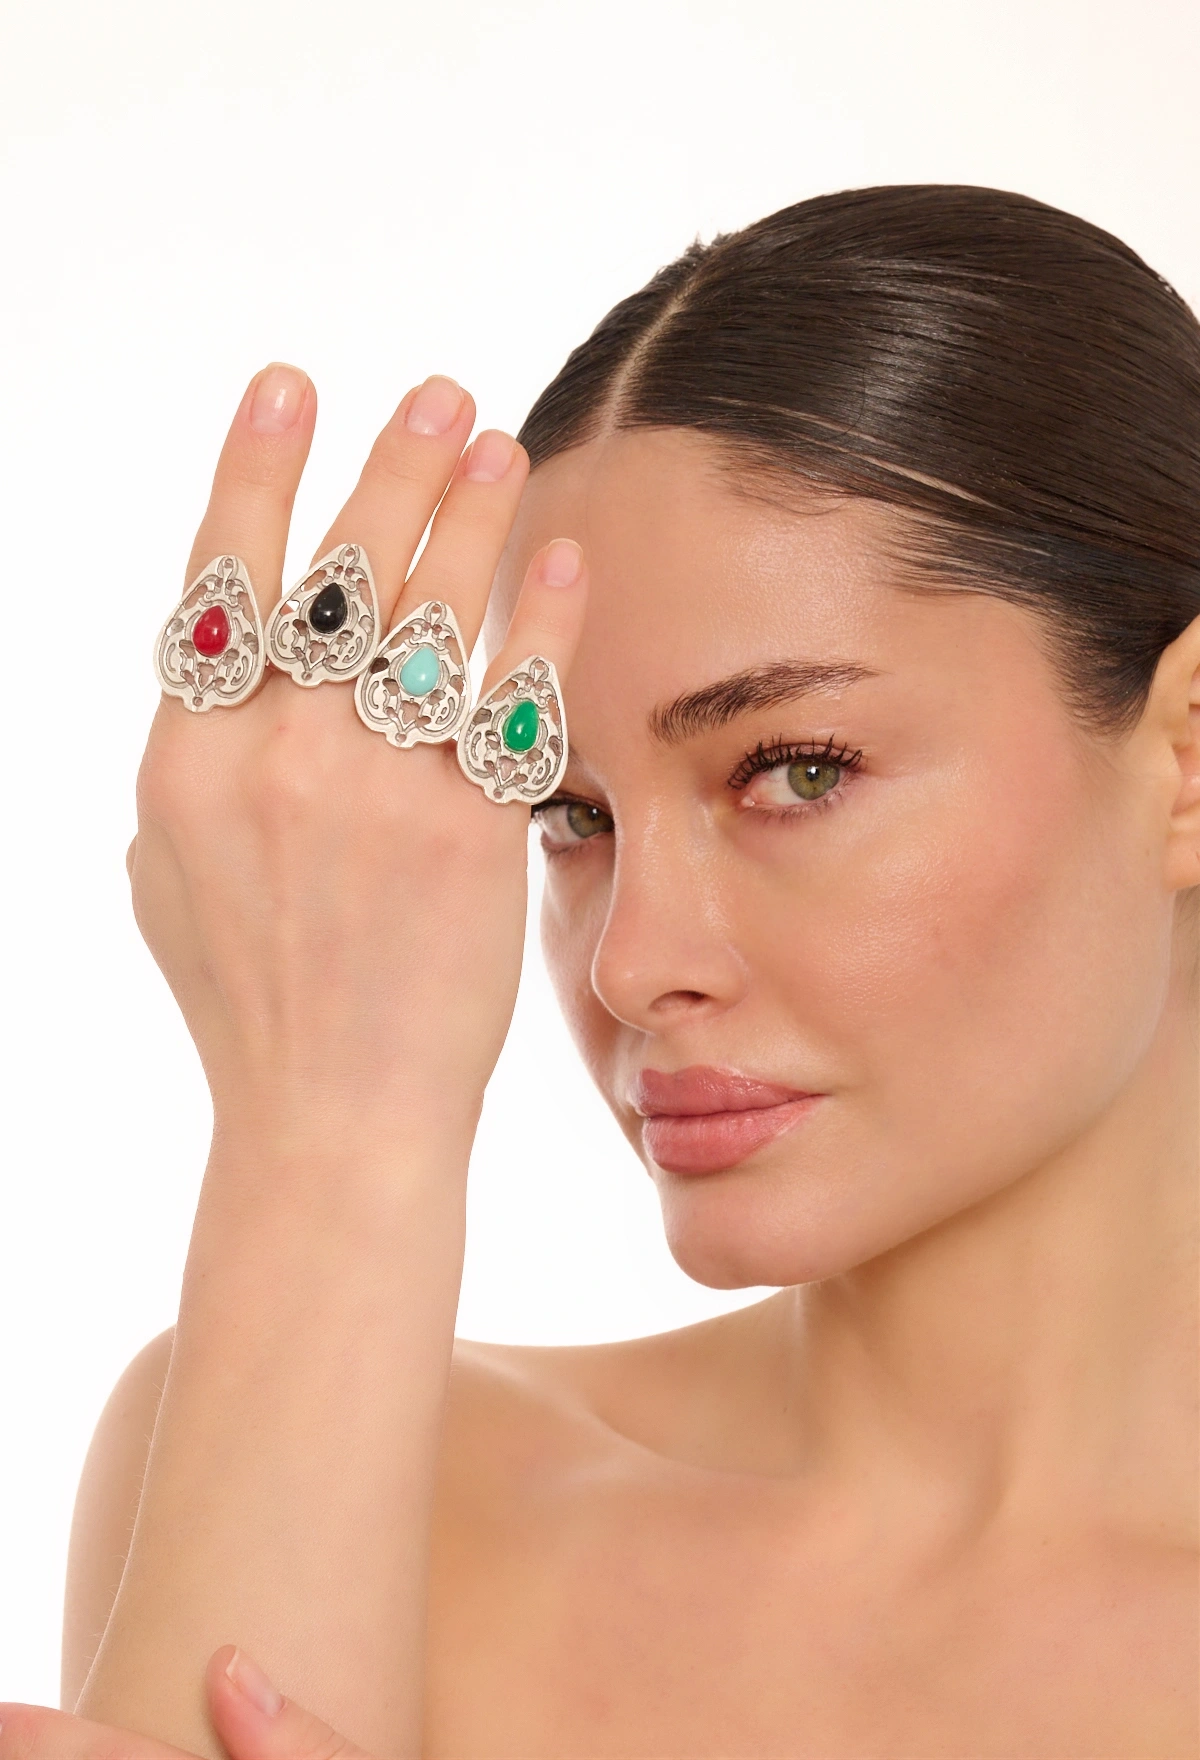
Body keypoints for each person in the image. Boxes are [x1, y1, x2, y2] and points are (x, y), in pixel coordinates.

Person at [2, 183, 1197, 1760]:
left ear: (1185, 754)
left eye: (798, 771)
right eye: (564, 811)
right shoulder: (385, 1478)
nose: (631, 964)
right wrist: (328, 1127)